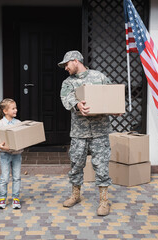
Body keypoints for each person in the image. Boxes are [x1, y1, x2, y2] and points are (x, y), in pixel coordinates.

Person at [59, 50, 113, 216]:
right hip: (79, 132)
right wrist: (77, 105)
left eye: (66, 64)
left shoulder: (99, 77)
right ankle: (76, 195)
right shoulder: (68, 82)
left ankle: (104, 201)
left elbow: (112, 95)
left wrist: (116, 108)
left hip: (100, 131)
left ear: (76, 61)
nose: (65, 68)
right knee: (76, 164)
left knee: (101, 166)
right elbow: (65, 98)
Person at [0, 98, 22, 209]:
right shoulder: (0, 124)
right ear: (5, 111)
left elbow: (22, 137)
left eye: (16, 108)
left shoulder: (18, 123)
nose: (16, 110)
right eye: (13, 108)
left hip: (17, 154)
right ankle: (2, 198)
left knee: (17, 177)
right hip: (4, 155)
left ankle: (15, 198)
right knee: (4, 177)